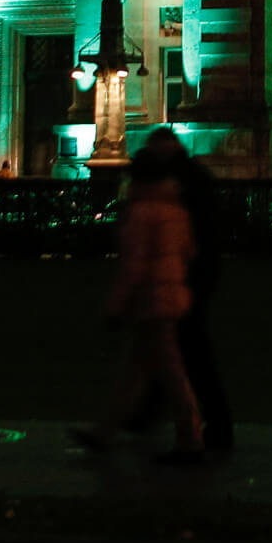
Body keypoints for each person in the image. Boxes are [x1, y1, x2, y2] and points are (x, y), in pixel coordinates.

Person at [73, 143, 203, 463]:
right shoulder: (175, 207)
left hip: (152, 299)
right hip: (170, 294)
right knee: (135, 370)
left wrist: (116, 306)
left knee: (169, 371)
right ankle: (104, 431)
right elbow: (189, 251)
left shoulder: (142, 211)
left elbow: (134, 265)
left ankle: (191, 437)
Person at [127, 128, 234, 453]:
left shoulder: (176, 184)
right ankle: (149, 413)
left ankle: (208, 427)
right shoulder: (191, 176)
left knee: (188, 354)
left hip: (185, 280)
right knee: (171, 350)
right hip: (190, 278)